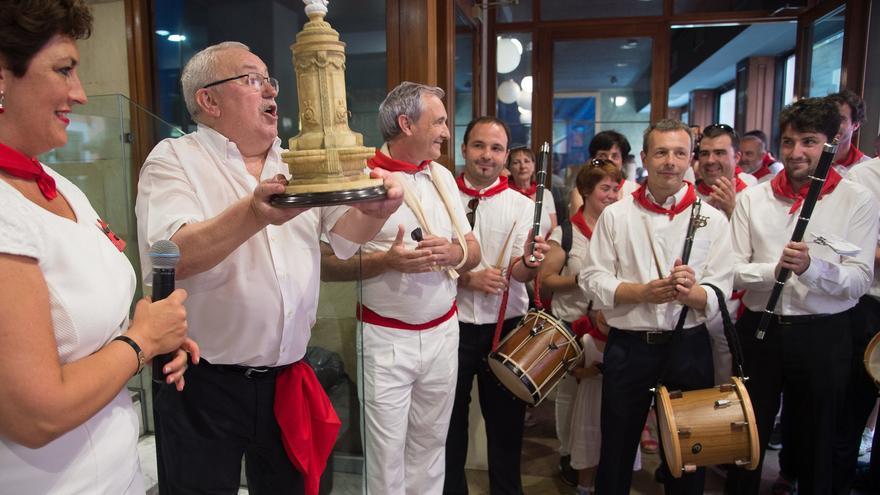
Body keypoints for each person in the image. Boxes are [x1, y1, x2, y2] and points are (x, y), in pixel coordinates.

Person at [136, 41, 403, 494]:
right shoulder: (174, 159)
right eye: (252, 80)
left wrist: (376, 211)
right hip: (204, 385)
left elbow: (340, 237)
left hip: (288, 380)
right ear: (208, 99)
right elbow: (173, 255)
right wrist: (254, 213)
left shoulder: (293, 162)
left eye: (271, 81)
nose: (272, 94)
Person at [0, 1, 194, 493]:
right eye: (64, 70)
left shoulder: (63, 187)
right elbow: (35, 414)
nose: (80, 94)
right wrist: (141, 341)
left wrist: (149, 334)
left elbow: (78, 333)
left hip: (116, 470)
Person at [320, 81, 481, 495]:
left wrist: (451, 253)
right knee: (385, 455)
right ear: (406, 124)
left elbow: (474, 251)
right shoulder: (359, 178)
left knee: (431, 447)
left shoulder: (443, 175)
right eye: (440, 121)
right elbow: (326, 262)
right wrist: (385, 261)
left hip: (444, 332)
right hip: (386, 337)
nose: (447, 131)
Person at [725, 97, 877, 495]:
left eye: (809, 142)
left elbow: (859, 280)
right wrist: (772, 270)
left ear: (832, 142)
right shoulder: (752, 198)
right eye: (789, 142)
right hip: (759, 329)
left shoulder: (857, 199)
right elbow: (732, 269)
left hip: (824, 334)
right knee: (747, 435)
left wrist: (814, 268)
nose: (796, 153)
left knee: (819, 440)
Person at [582, 119, 733, 494]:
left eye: (679, 153)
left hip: (688, 346)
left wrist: (692, 293)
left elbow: (722, 291)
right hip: (630, 345)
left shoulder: (712, 218)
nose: (670, 161)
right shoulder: (617, 214)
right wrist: (641, 293)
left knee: (688, 454)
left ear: (691, 160)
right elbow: (592, 277)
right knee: (616, 448)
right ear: (646, 157)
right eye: (661, 152)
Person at [443, 116, 549, 495]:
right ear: (464, 148)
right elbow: (428, 256)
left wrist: (531, 263)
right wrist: (466, 277)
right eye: (479, 146)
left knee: (506, 432)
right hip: (449, 327)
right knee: (449, 429)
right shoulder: (443, 196)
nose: (486, 156)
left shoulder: (522, 206)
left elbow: (520, 272)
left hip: (507, 331)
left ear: (506, 155)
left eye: (496, 148)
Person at [538, 160, 639, 495]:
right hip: (573, 326)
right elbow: (546, 280)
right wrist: (580, 280)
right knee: (570, 398)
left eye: (615, 188)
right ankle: (570, 456)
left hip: (613, 329)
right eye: (603, 189)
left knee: (608, 402)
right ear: (585, 192)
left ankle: (605, 461)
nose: (610, 195)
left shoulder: (624, 228)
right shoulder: (567, 231)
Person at [832, 155, 880, 493]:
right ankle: (837, 482)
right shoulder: (865, 178)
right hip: (869, 303)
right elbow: (850, 248)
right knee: (852, 405)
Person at [568, 130, 639, 217]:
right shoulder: (581, 191)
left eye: (615, 156)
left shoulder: (635, 190)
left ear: (622, 160)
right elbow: (576, 227)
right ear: (592, 159)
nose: (609, 160)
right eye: (602, 156)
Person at [508, 145, 557, 235]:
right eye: (516, 162)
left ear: (534, 165)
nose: (523, 166)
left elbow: (554, 232)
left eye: (527, 161)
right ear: (509, 168)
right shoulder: (506, 195)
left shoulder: (546, 194)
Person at [827, 89, 870, 175]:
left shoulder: (867, 167)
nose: (832, 123)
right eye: (828, 117)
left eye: (841, 119)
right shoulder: (808, 160)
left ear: (856, 125)